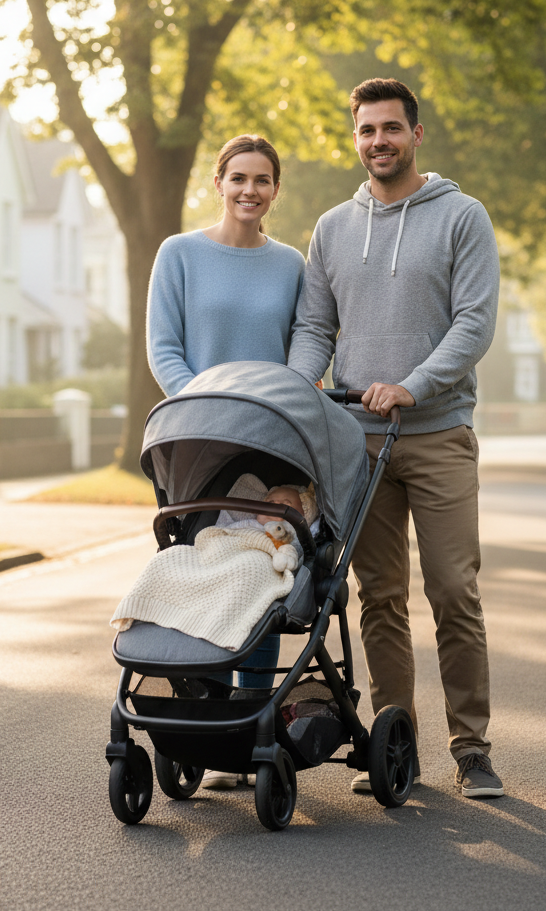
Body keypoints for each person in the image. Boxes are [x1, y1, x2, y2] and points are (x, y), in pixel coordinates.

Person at [287, 78, 504, 798]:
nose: (378, 141)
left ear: (416, 135)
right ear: (355, 139)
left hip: (437, 433)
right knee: (379, 595)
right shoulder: (332, 228)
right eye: (366, 131)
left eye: (391, 129)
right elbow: (316, 327)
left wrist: (415, 383)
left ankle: (472, 749)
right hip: (359, 441)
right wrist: (295, 388)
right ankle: (394, 744)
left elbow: (474, 322)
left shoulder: (462, 217)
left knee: (453, 592)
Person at [146, 134, 305, 789]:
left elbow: (306, 345)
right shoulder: (178, 254)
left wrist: (282, 408)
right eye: (238, 177)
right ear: (218, 182)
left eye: (262, 179)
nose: (249, 190)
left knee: (259, 574)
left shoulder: (292, 263)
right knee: (201, 571)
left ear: (274, 189)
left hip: (270, 442)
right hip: (200, 437)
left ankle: (250, 717)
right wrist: (206, 407)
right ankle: (203, 715)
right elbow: (164, 349)